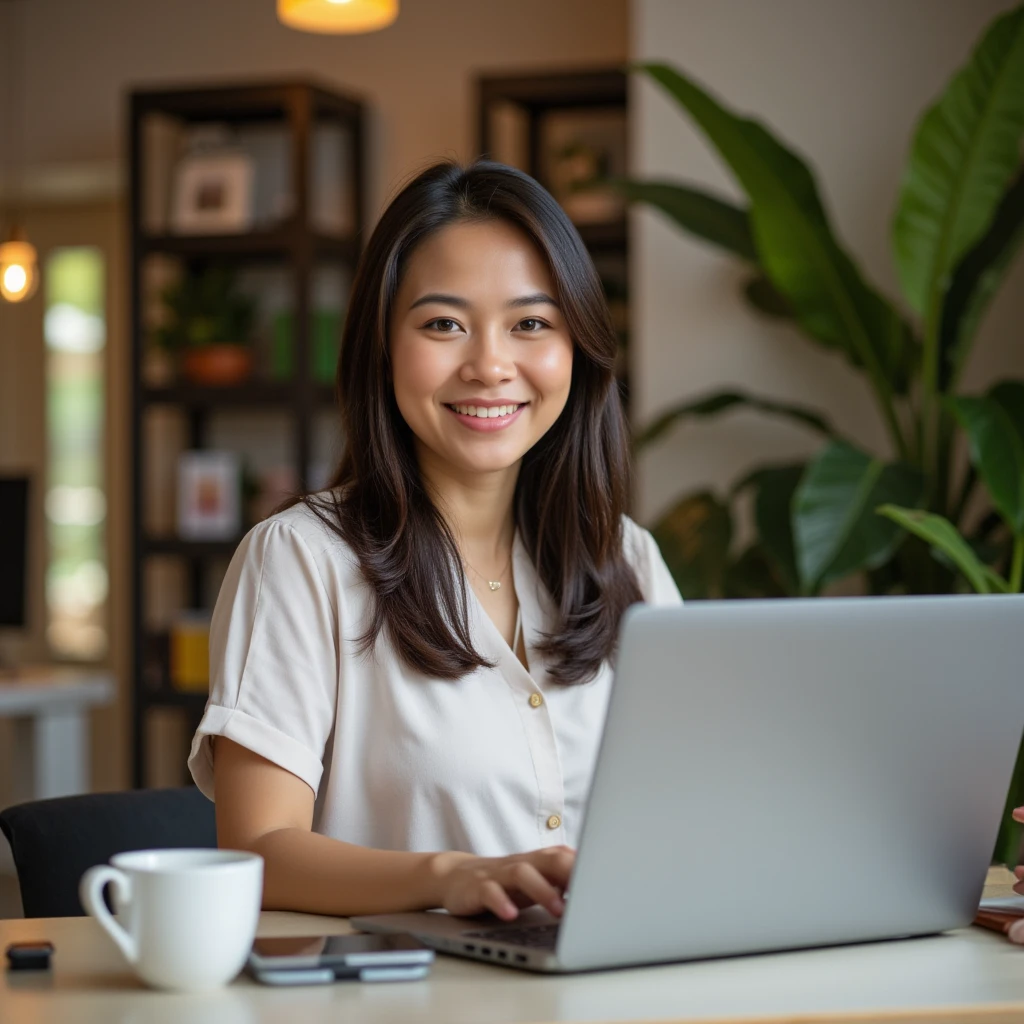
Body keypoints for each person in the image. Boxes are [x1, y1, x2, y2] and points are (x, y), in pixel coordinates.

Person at [187, 159, 682, 921]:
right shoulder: (299, 559)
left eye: (531, 323)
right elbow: (258, 848)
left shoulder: (627, 558)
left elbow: (691, 805)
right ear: (381, 348)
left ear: (577, 349)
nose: (489, 365)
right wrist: (452, 877)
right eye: (444, 323)